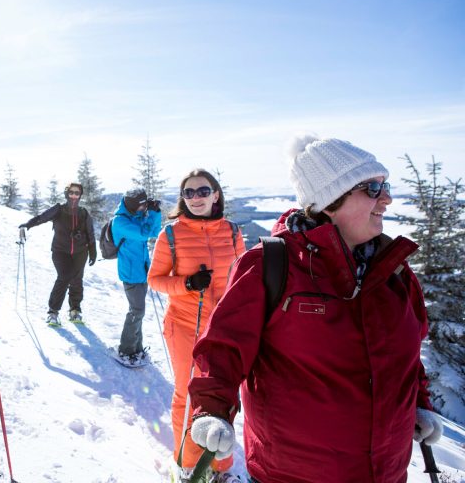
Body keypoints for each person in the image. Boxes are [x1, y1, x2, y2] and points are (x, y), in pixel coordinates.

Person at [188, 135, 443, 483]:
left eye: (386, 185)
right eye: (372, 188)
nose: (387, 198)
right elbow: (223, 348)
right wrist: (212, 411)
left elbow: (409, 354)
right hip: (294, 473)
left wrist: (420, 403)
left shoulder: (394, 269)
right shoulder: (271, 264)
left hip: (387, 470)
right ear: (330, 200)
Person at [146, 169, 245, 480]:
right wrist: (188, 283)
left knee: (223, 394)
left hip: (223, 326)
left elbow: (243, 276)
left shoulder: (232, 231)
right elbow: (155, 280)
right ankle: (188, 463)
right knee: (188, 394)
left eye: (203, 191)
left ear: (216, 194)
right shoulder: (171, 235)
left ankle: (221, 465)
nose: (196, 198)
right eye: (189, 193)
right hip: (185, 324)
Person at [19, 183, 96, 325]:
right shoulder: (58, 210)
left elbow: (90, 233)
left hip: (80, 252)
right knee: (64, 277)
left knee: (77, 279)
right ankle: (53, 312)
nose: (74, 195)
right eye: (71, 192)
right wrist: (28, 224)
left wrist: (93, 252)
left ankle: (75, 310)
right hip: (60, 251)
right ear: (67, 194)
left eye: (77, 193)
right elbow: (42, 217)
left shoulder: (83, 213)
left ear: (80, 195)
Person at [111, 188, 162, 364]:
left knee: (138, 312)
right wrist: (154, 214)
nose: (143, 208)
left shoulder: (135, 216)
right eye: (141, 205)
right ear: (132, 205)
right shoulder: (121, 222)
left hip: (142, 271)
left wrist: (152, 211)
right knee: (137, 311)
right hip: (131, 273)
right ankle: (125, 350)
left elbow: (152, 230)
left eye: (144, 205)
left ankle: (136, 348)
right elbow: (146, 233)